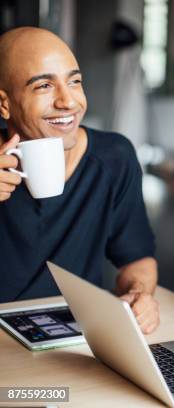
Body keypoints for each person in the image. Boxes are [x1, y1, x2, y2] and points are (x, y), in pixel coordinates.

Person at [0, 27, 160, 334]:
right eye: (44, 86)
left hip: (75, 338)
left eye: (74, 81)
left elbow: (137, 259)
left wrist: (140, 296)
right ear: (4, 105)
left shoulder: (114, 157)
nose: (68, 102)